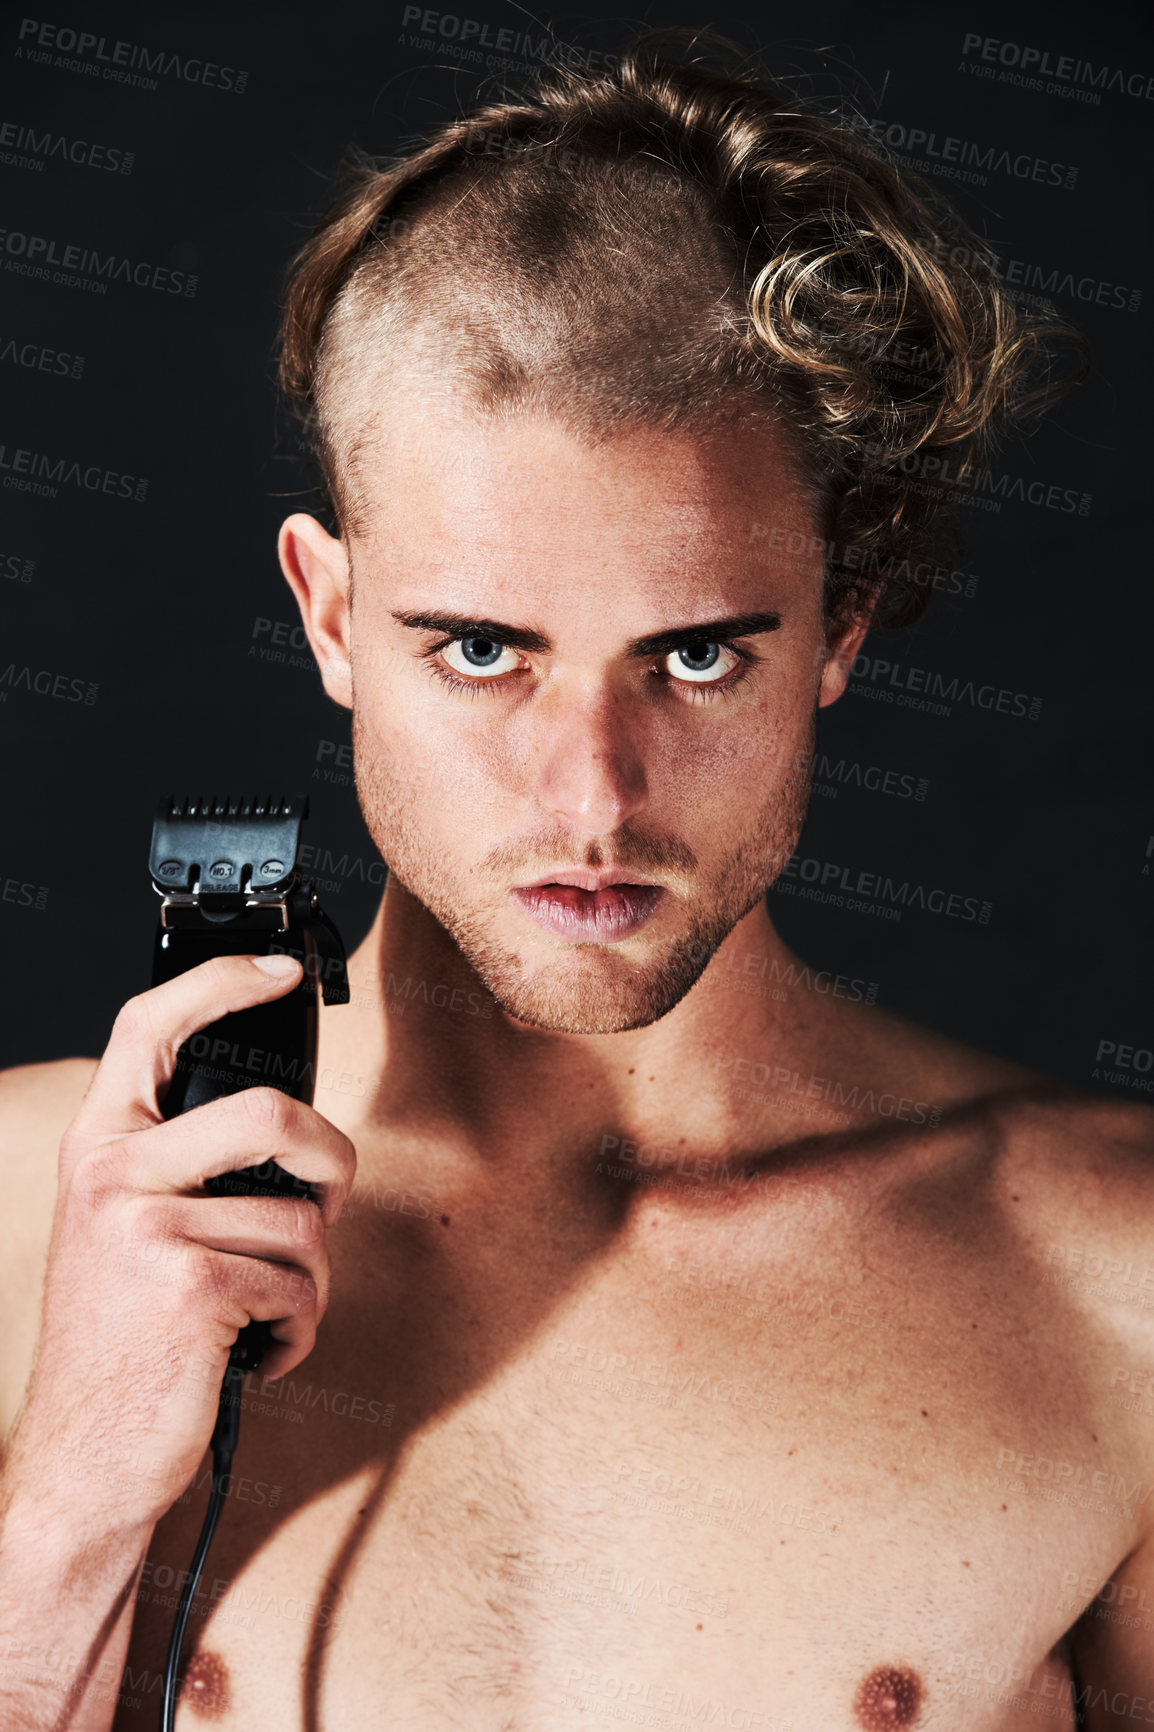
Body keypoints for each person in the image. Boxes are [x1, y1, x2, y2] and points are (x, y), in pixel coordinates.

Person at [0, 30, 1149, 1731]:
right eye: (479, 648)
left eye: (693, 659)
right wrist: (79, 1491)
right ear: (329, 616)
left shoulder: (1112, 1281)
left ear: (836, 624)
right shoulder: (24, 1219)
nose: (592, 794)